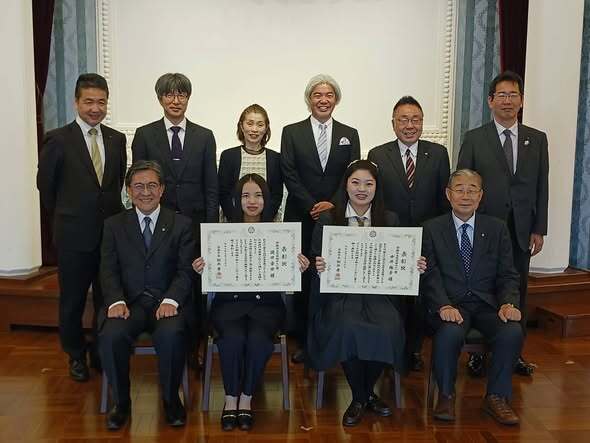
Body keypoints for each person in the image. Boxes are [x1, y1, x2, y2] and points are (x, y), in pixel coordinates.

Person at [307, 160, 426, 427]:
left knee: (389, 326)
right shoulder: (329, 219)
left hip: (379, 296)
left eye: (368, 183)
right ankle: (364, 396)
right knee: (347, 325)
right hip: (341, 296)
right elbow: (315, 260)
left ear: (376, 187)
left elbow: (400, 259)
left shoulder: (390, 219)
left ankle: (361, 397)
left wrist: (414, 264)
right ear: (346, 185)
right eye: (356, 182)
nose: (362, 189)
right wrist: (319, 265)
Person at [192, 173, 309, 431]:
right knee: (232, 339)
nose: (252, 201)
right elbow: (213, 270)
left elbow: (286, 272)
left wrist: (298, 266)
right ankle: (230, 398)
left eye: (258, 195)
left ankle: (246, 397)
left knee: (258, 340)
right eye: (246, 195)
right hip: (228, 305)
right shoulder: (222, 232)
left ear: (267, 200)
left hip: (266, 306)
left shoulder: (280, 233)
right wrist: (202, 267)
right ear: (237, 200)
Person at [457, 71, 549, 377]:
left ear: (521, 100)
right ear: (490, 101)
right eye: (502, 95)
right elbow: (463, 185)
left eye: (513, 95)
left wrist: (539, 228)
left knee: (517, 288)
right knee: (483, 287)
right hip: (483, 227)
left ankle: (514, 353)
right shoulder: (475, 138)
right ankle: (478, 355)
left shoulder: (537, 139)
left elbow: (542, 186)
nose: (507, 101)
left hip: (522, 229)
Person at [37, 73, 127, 382]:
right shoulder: (58, 139)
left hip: (109, 238)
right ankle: (75, 354)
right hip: (74, 238)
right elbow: (46, 188)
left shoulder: (117, 139)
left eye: (101, 102)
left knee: (107, 298)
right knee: (73, 301)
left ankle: (101, 351)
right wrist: (69, 217)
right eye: (89, 101)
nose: (95, 108)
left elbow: (115, 183)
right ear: (76, 102)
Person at [421, 169, 523, 425]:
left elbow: (508, 274)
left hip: (488, 305)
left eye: (472, 190)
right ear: (448, 194)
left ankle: (497, 397)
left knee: (512, 331)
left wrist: (509, 303)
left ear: (480, 196)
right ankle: (446, 395)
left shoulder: (497, 228)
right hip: (451, 304)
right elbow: (429, 274)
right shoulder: (431, 228)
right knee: (449, 332)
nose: (465, 196)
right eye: (459, 190)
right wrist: (442, 304)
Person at [98, 160, 195, 430]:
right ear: (129, 191)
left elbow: (186, 270)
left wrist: (172, 299)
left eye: (152, 185)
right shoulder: (114, 225)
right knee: (111, 335)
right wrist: (116, 300)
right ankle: (122, 403)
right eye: (138, 186)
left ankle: (171, 401)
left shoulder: (181, 224)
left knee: (172, 334)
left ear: (162, 189)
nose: (146, 192)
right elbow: (107, 269)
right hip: (128, 304)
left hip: (166, 303)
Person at [131, 72, 219, 362]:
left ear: (188, 98)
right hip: (160, 225)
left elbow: (211, 186)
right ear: (160, 99)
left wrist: (210, 230)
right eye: (169, 94)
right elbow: (139, 181)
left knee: (195, 286)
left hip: (195, 225)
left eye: (181, 94)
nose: (176, 100)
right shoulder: (145, 135)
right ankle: (170, 343)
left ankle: (195, 347)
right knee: (167, 279)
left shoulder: (204, 136)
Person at [281, 74, 360, 363]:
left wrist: (332, 205)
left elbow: (353, 174)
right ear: (309, 99)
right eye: (317, 95)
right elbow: (289, 172)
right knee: (304, 278)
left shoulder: (349, 133)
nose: (323, 100)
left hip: (337, 217)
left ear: (336, 99)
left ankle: (334, 338)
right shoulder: (292, 132)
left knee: (334, 278)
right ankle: (305, 341)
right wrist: (312, 205)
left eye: (329, 95)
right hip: (301, 216)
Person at [368, 95, 450, 371]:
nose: (410, 125)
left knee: (419, 298)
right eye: (403, 120)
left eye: (416, 119)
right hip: (391, 239)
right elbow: (376, 200)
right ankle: (390, 348)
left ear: (422, 123)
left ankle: (413, 350)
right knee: (393, 298)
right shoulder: (378, 155)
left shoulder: (438, 154)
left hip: (426, 238)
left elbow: (444, 200)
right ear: (393, 123)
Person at [218, 104, 283, 221]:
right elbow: (223, 194)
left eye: (260, 125)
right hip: (233, 223)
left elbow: (276, 195)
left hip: (267, 224)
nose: (254, 129)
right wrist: (236, 220)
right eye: (250, 123)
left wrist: (264, 221)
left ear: (266, 128)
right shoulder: (228, 156)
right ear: (241, 126)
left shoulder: (275, 158)